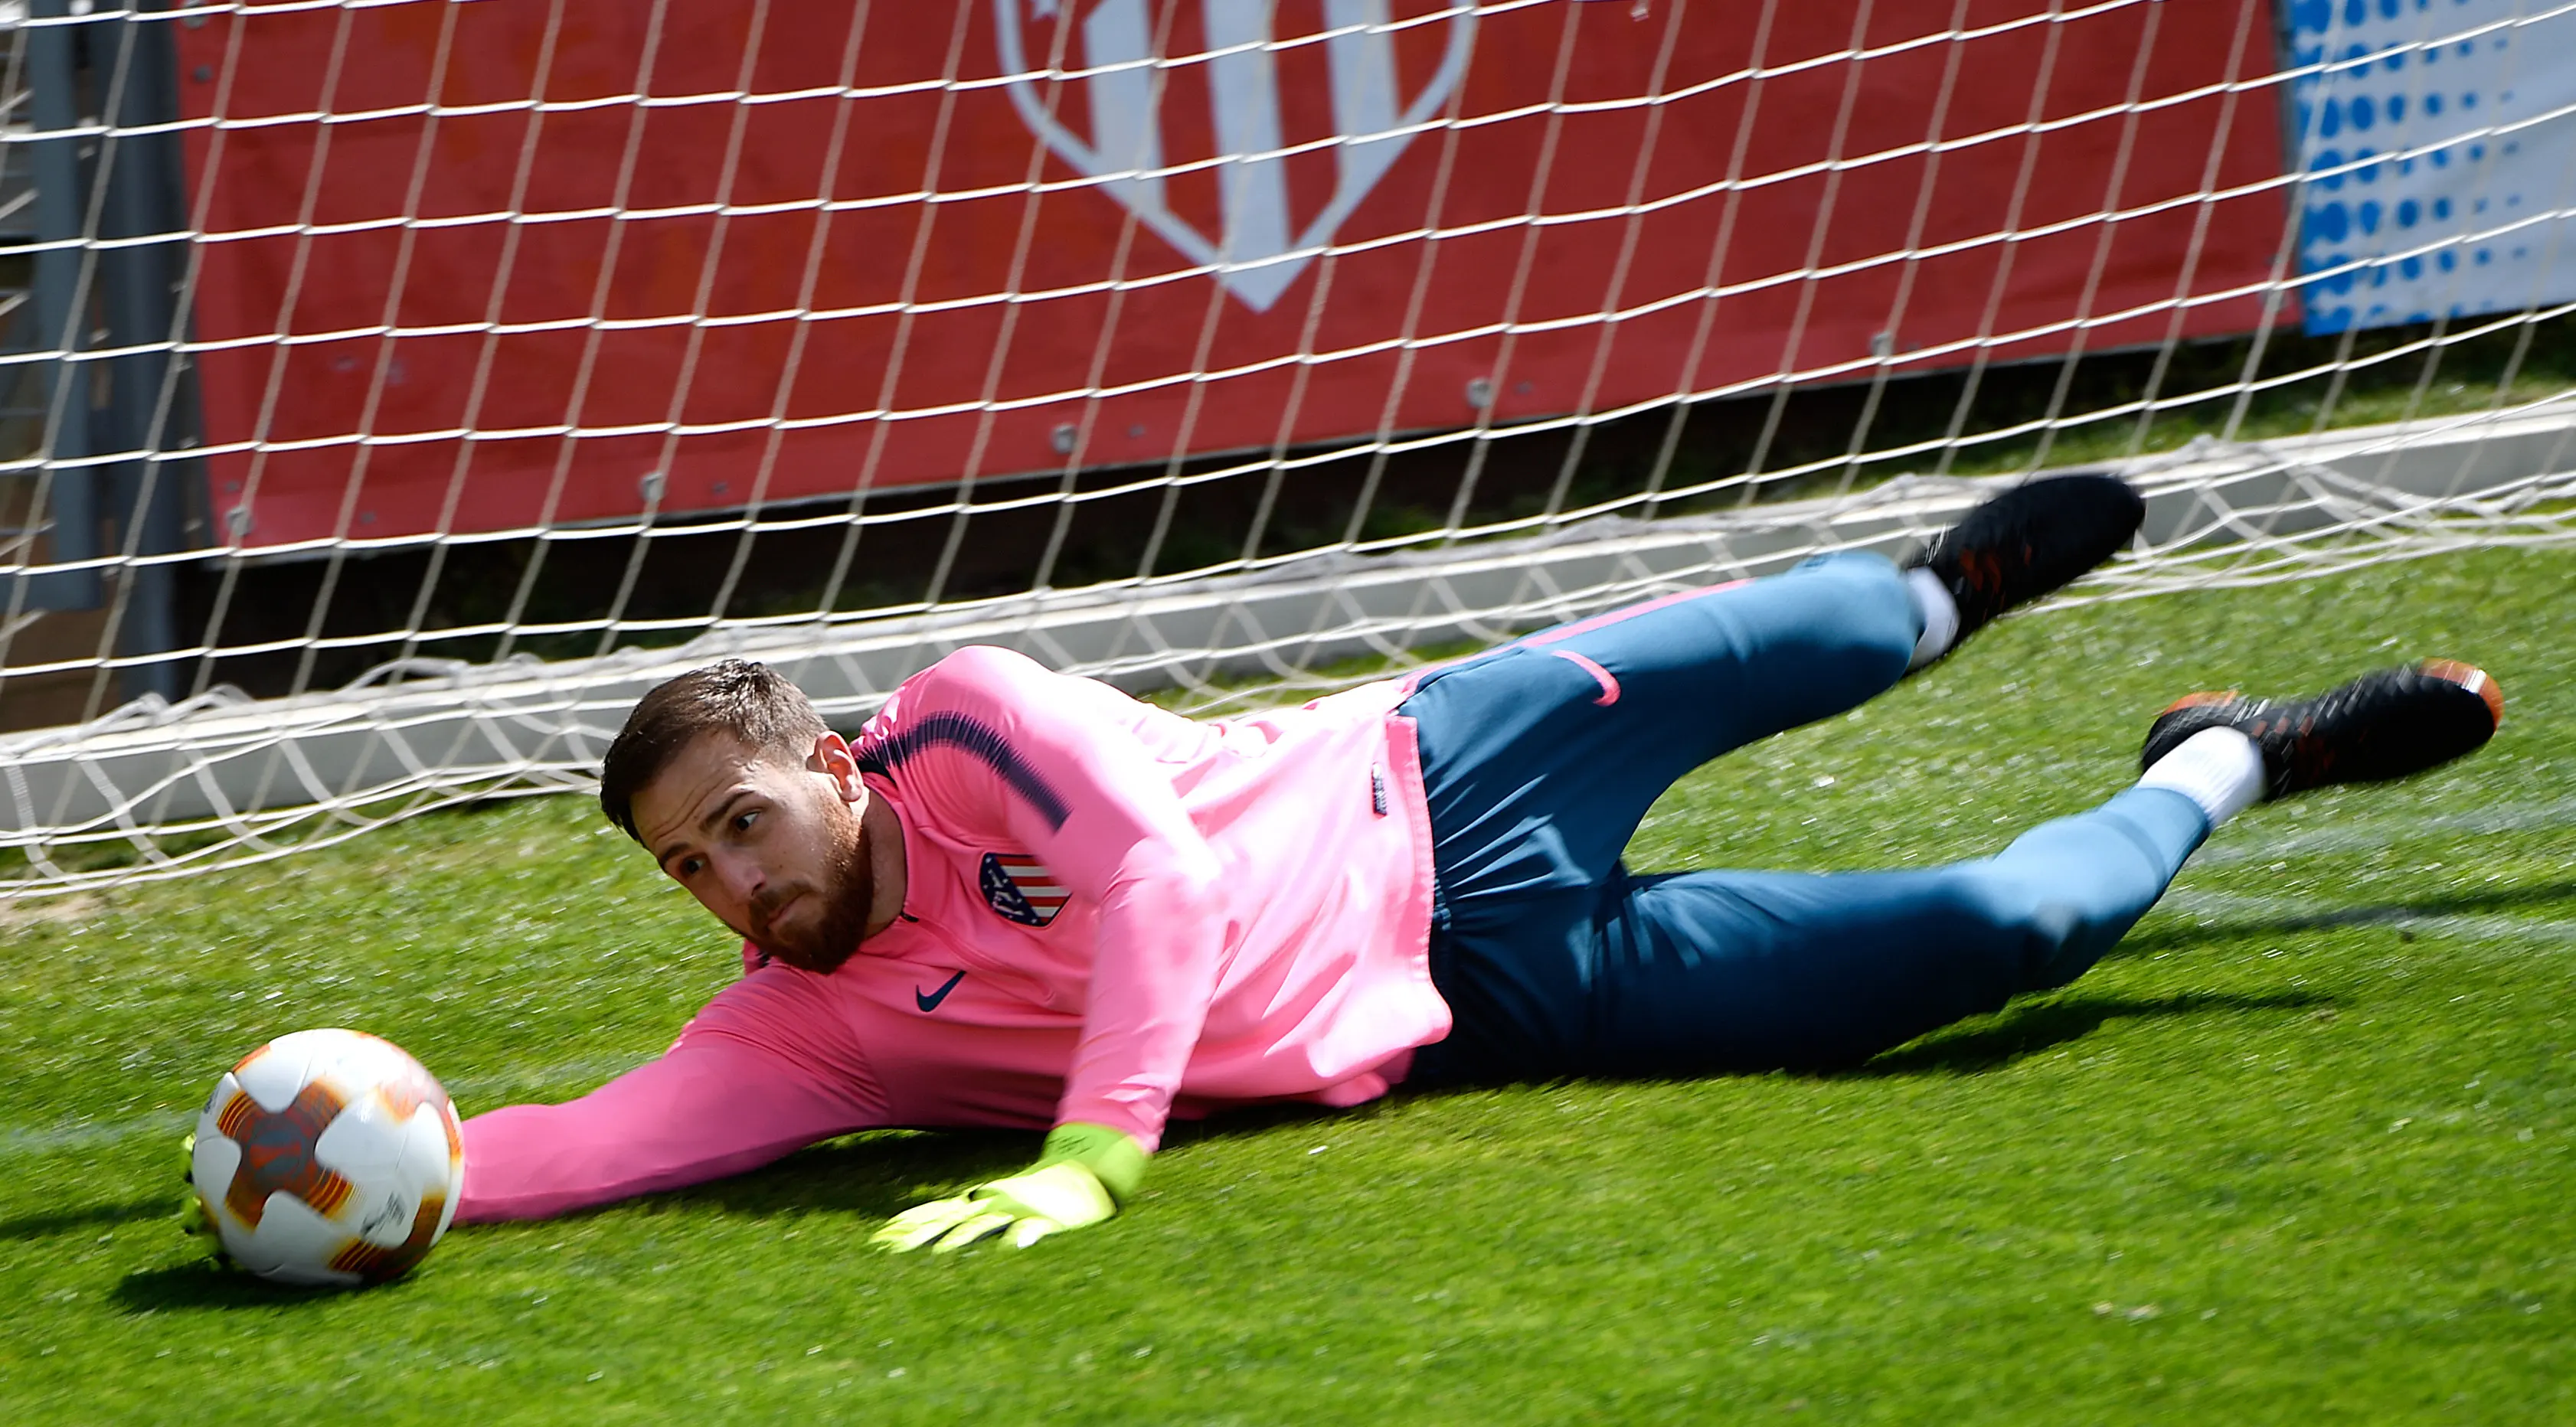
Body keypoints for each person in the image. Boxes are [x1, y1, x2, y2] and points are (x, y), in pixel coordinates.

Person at [447, 474, 2504, 1251]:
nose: (732, 887)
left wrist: (1090, 1160)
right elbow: (580, 1143)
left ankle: (1942, 592)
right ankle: (2229, 750)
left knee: (1862, 630)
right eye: (687, 875)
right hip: (1477, 1001)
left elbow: (1154, 889)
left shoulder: (975, 709)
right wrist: (362, 1156)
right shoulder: (810, 1041)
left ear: (828, 760)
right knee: (2015, 927)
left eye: (741, 824)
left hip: (1432, 769)